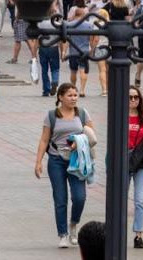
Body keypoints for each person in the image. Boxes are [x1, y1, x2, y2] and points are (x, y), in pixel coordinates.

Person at [34, 83, 96, 249]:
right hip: (56, 161)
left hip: (77, 161)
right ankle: (62, 234)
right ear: (60, 97)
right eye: (70, 95)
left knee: (79, 197)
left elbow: (91, 135)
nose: (73, 98)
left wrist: (79, 142)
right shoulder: (51, 116)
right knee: (60, 198)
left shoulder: (82, 114)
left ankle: (73, 224)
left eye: (75, 95)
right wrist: (38, 161)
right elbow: (44, 139)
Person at [127, 85, 143, 249]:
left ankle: (138, 234)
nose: (133, 100)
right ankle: (116, 231)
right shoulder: (119, 116)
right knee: (119, 199)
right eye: (130, 97)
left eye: (136, 97)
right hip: (124, 159)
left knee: (140, 200)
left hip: (141, 160)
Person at [66, 1, 92, 96]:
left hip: (73, 51)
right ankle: (82, 90)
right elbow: (91, 38)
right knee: (83, 70)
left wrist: (64, 51)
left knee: (73, 71)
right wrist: (91, 49)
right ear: (83, 14)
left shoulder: (69, 24)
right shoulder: (88, 25)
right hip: (84, 51)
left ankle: (73, 88)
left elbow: (66, 39)